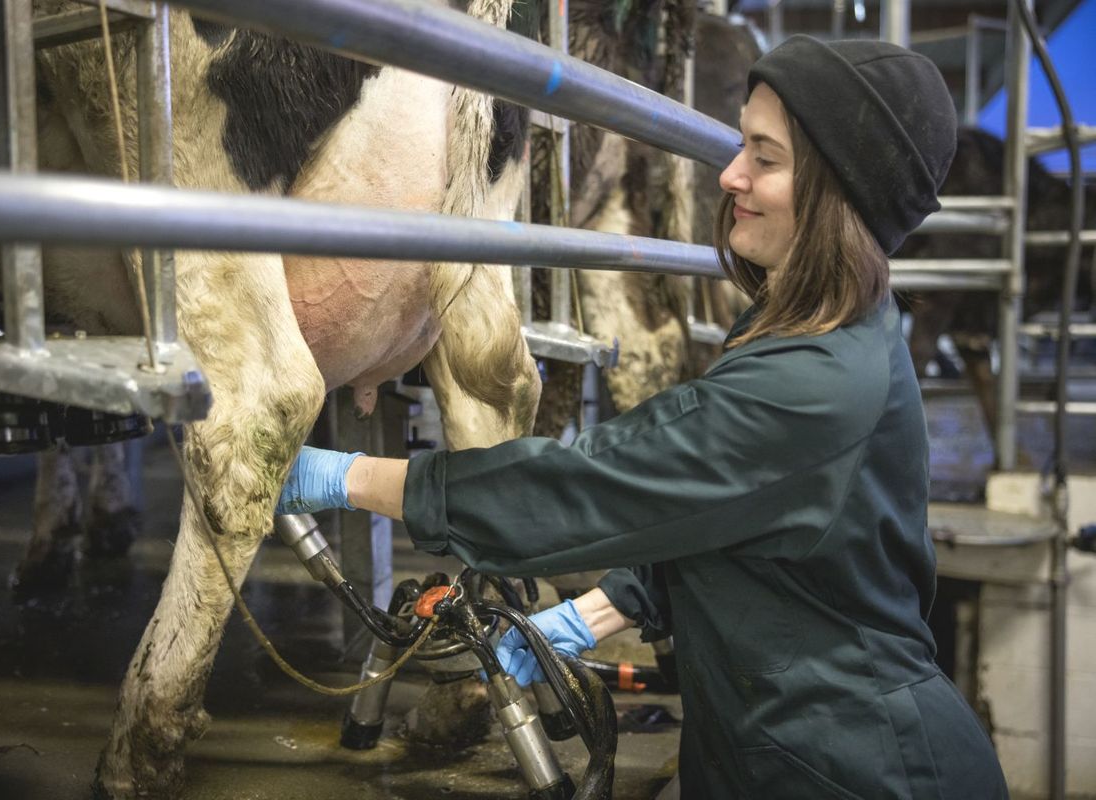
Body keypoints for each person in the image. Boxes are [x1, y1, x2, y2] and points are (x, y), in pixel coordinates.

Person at [277, 35, 1009, 799]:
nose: (729, 176)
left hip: (856, 768)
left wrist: (347, 476)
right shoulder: (818, 330)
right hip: (782, 742)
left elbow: (593, 484)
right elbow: (722, 506)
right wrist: (599, 610)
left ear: (838, 190)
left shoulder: (813, 383)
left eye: (764, 157)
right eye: (740, 147)